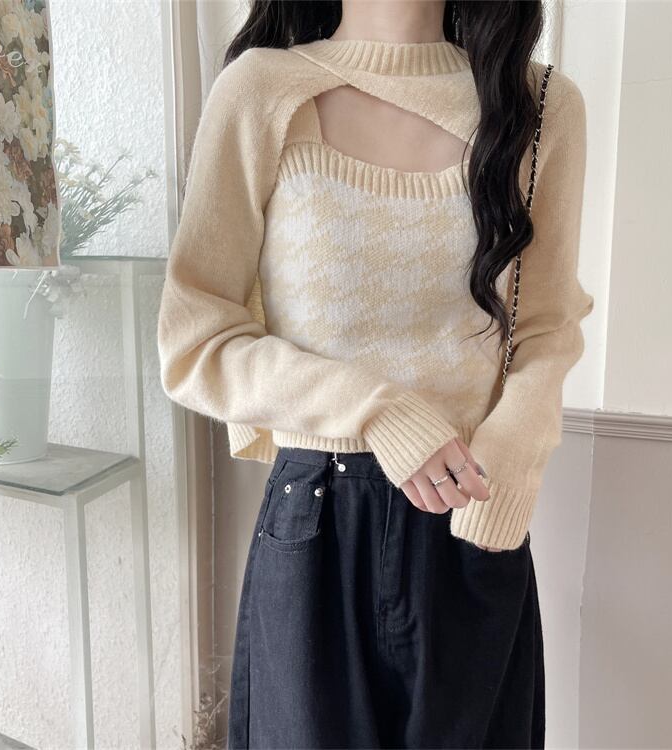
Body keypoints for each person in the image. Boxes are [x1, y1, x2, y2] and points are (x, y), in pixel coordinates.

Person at [156, 0, 594, 747]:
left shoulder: (541, 107)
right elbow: (196, 342)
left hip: (470, 514)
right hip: (316, 525)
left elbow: (546, 331)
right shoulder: (262, 91)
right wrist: (377, 409)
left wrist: (507, 473)